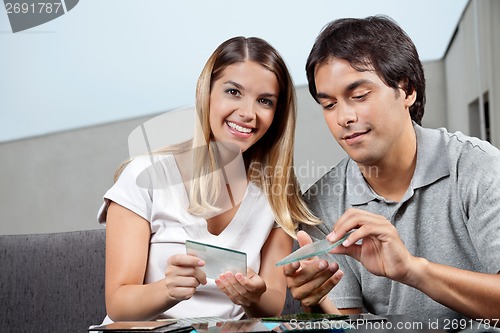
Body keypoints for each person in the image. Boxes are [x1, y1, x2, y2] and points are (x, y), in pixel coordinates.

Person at [283, 15, 500, 324]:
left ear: (407, 90)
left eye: (359, 96)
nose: (343, 117)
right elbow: (349, 325)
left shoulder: (478, 167)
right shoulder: (320, 206)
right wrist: (317, 302)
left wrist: (412, 269)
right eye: (329, 105)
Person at [97, 36, 319, 322]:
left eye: (265, 101)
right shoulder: (145, 176)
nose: (248, 113)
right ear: (207, 93)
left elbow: (272, 304)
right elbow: (118, 304)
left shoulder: (277, 192)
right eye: (233, 92)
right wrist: (167, 289)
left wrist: (253, 296)